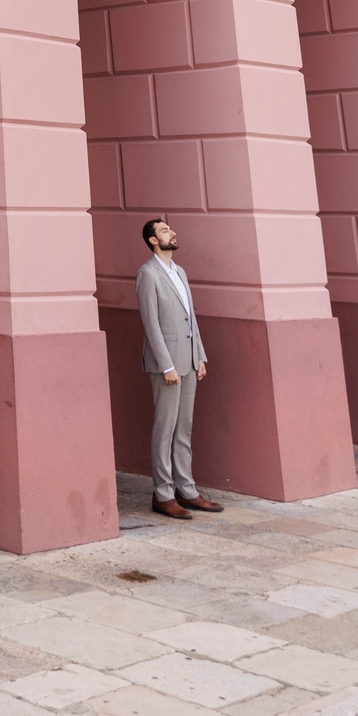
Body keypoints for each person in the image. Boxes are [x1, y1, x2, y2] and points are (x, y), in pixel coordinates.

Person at [136, 219, 224, 519]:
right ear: (152, 240)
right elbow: (151, 324)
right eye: (164, 231)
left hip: (189, 360)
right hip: (168, 366)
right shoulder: (148, 274)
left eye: (170, 229)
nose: (172, 233)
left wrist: (200, 355)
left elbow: (190, 317)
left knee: (183, 428)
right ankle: (162, 494)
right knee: (165, 429)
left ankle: (186, 490)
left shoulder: (180, 272)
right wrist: (166, 365)